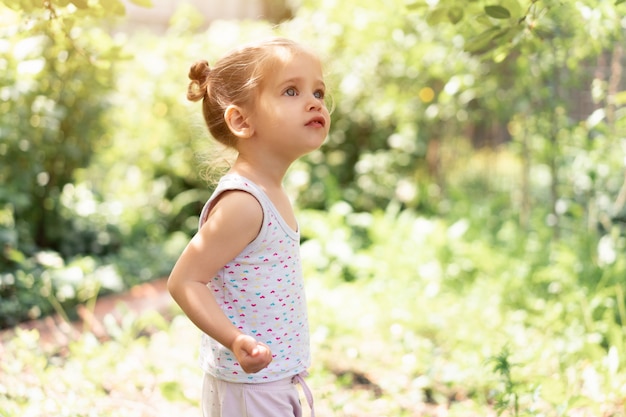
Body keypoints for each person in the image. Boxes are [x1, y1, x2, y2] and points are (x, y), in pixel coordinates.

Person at [167, 37, 330, 417]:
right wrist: (234, 339)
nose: (315, 101)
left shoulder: (269, 190)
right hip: (250, 388)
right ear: (241, 120)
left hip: (272, 380)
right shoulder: (243, 202)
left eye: (318, 91)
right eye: (292, 90)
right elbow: (185, 280)